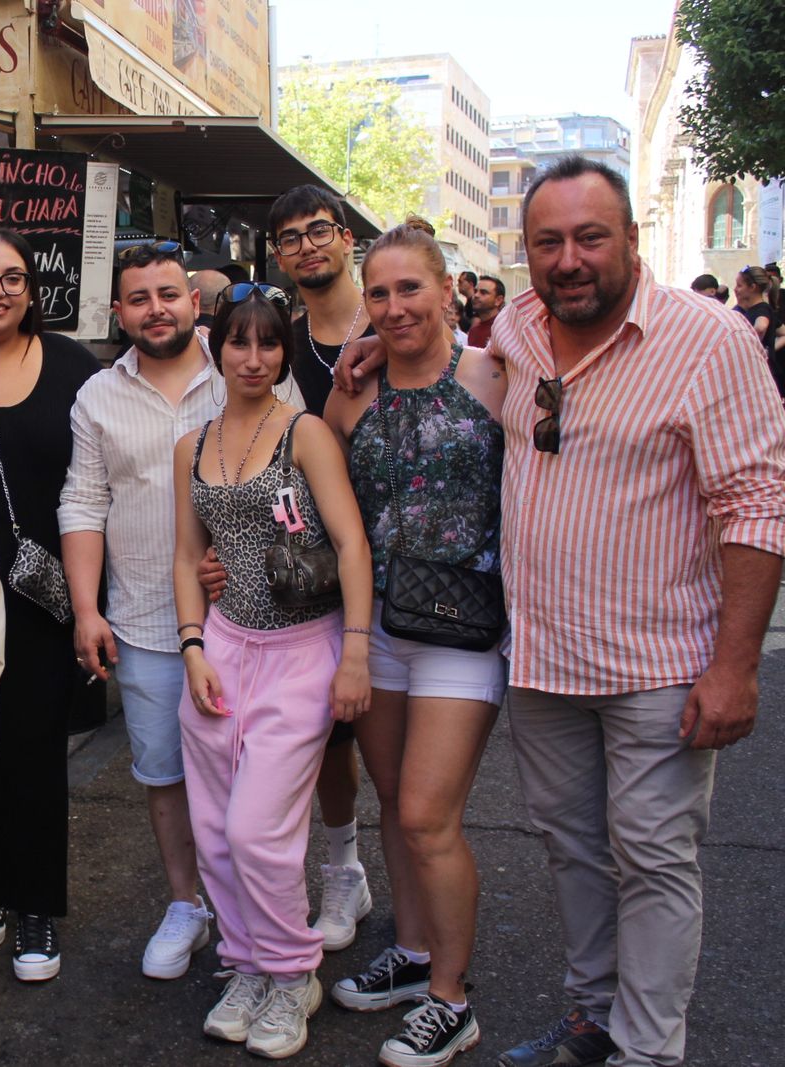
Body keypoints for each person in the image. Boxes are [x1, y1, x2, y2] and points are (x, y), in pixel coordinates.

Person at [487, 159, 784, 1067]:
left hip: (660, 666)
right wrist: (386, 352)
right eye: (548, 242)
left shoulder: (708, 340)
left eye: (589, 237)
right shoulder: (519, 325)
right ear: (527, 252)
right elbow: (485, 370)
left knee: (654, 859)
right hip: (542, 659)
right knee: (573, 850)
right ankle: (593, 1018)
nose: (569, 260)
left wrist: (735, 666)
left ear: (630, 240)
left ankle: (647, 1052)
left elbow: (758, 503)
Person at [172, 281, 373, 1059]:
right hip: (222, 650)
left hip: (301, 651)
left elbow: (352, 544)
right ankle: (248, 962)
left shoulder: (307, 432)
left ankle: (294, 972)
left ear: (284, 353)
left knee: (260, 830)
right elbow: (189, 558)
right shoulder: (190, 445)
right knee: (217, 833)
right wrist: (192, 646)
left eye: (268, 343)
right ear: (216, 347)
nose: (253, 358)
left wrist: (354, 649)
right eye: (238, 341)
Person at [323, 218, 507, 1067]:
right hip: (379, 626)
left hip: (464, 632)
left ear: (447, 289)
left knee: (431, 814)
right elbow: (330, 508)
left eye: (410, 288)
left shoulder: (492, 374)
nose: (396, 307)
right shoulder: (352, 390)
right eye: (381, 293)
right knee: (395, 804)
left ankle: (452, 999)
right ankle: (419, 950)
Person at [0, 226, 102, 982]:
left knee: (35, 741)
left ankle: (36, 900)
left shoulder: (71, 364)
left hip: (46, 583)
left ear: (32, 291)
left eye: (11, 277)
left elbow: (104, 472)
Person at [59, 239, 226, 983]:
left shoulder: (246, 369)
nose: (156, 308)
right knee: (163, 774)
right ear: (119, 312)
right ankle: (187, 903)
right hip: (147, 620)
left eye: (168, 293)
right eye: (140, 298)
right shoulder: (99, 396)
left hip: (247, 621)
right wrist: (87, 608)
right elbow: (85, 501)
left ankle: (254, 910)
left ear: (193, 300)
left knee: (249, 775)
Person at [264, 184, 376, 952]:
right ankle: (344, 867)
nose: (307, 247)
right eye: (291, 238)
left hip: (413, 558)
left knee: (403, 751)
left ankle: (427, 929)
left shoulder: (397, 311)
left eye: (318, 231)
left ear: (345, 238)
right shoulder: (283, 341)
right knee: (331, 733)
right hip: (321, 564)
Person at [735, 265, 780, 393]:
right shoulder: (760, 308)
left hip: (761, 373)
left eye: (739, 286)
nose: (735, 289)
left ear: (752, 287)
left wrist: (749, 342)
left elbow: (761, 327)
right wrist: (770, 347)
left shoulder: (761, 309)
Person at [465, 275, 505, 348]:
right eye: (475, 291)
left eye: (483, 292)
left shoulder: (505, 329)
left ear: (498, 300)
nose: (476, 295)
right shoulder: (473, 332)